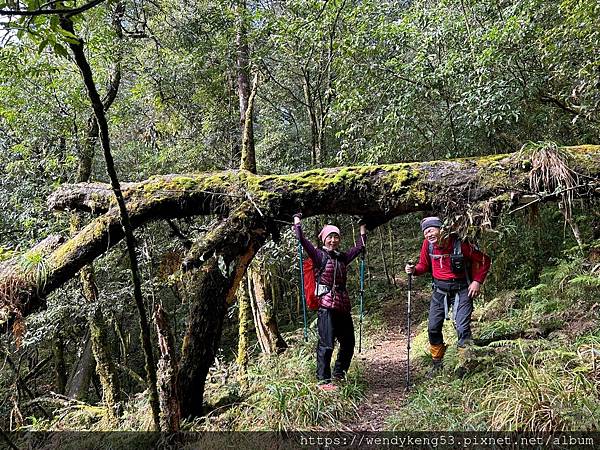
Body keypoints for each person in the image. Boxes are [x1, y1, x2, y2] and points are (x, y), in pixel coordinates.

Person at [405, 216, 491, 376]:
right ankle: (438, 362)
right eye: (425, 232)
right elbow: (423, 265)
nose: (428, 234)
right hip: (440, 291)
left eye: (431, 230)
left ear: (441, 229)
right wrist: (414, 270)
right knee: (433, 328)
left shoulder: (460, 244)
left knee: (462, 326)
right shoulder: (428, 246)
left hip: (462, 289)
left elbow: (485, 260)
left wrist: (477, 281)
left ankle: (464, 363)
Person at [293, 214, 367, 391]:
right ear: (324, 239)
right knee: (326, 344)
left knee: (348, 343)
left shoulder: (342, 257)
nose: (333, 240)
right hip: (326, 306)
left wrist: (362, 228)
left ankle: (339, 375)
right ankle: (323, 381)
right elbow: (302, 240)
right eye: (329, 237)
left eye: (336, 237)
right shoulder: (319, 256)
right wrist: (297, 222)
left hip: (342, 305)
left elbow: (359, 248)